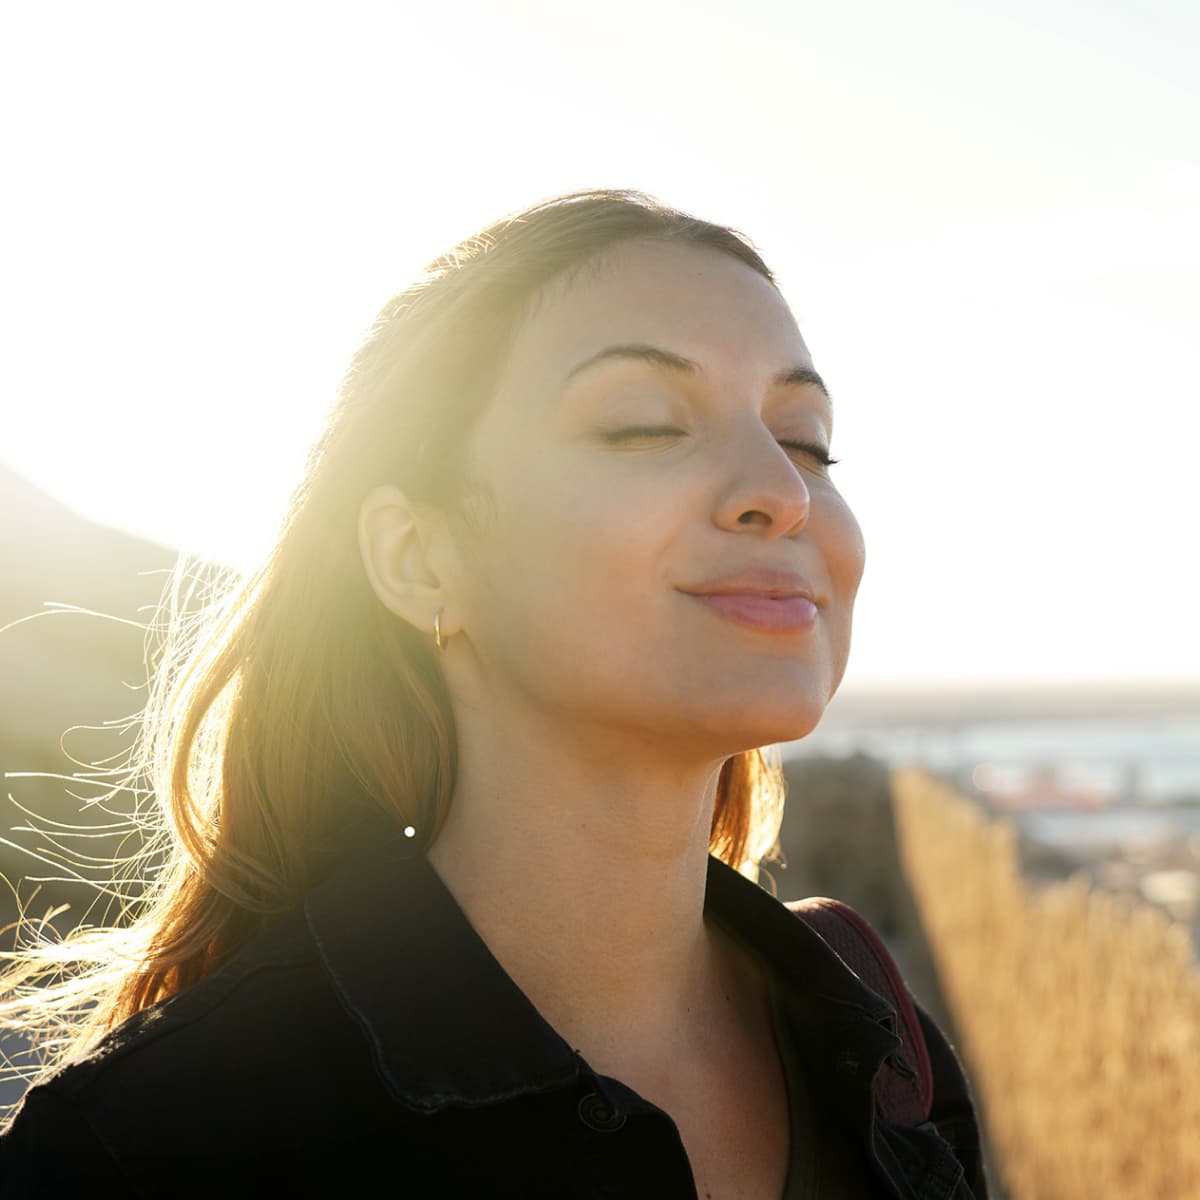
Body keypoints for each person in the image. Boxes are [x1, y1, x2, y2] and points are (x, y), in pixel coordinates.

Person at [0, 190, 988, 1197]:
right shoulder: (157, 1146)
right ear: (420, 557)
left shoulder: (885, 1058)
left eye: (807, 438)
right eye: (645, 425)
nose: (780, 489)